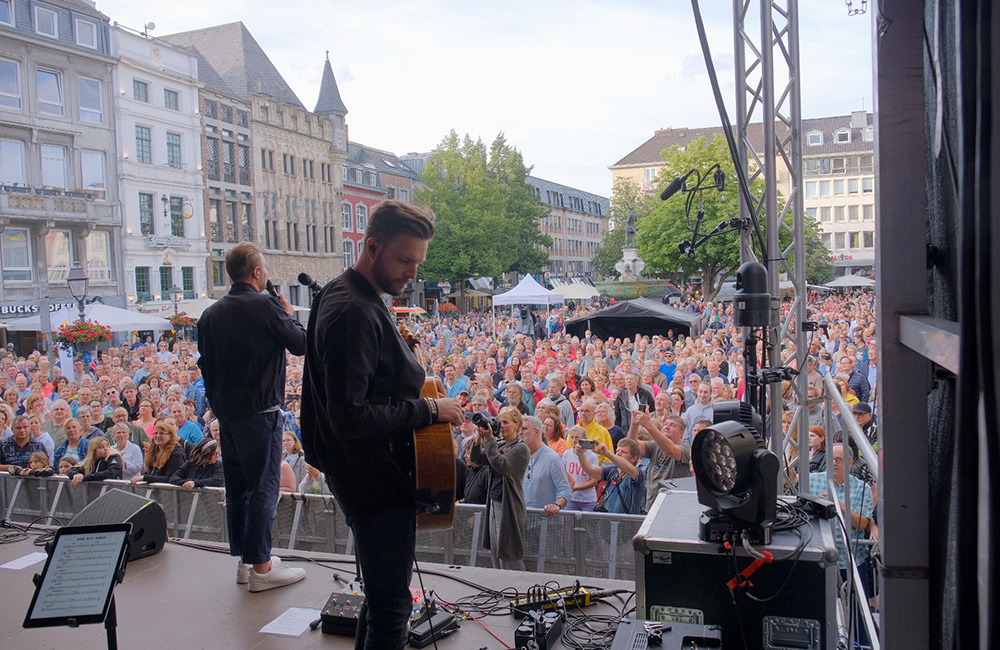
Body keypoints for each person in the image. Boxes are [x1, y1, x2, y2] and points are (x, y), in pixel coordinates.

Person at [300, 200, 463, 648]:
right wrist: (430, 410)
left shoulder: (348, 294)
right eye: (404, 260)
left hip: (364, 470)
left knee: (378, 599)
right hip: (372, 477)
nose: (412, 272)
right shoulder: (352, 310)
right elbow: (350, 417)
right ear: (371, 247)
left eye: (418, 262)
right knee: (392, 607)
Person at [198, 242, 308, 593]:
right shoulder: (266, 306)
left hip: (227, 416)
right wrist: (287, 315)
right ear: (257, 272)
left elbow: (205, 367)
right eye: (265, 269)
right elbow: (300, 344)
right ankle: (262, 568)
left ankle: (246, 561)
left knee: (239, 487)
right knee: (263, 487)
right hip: (261, 413)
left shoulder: (210, 314)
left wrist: (217, 406)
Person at [470, 407, 529, 570]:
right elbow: (477, 459)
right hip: (494, 501)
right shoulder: (501, 444)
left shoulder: (521, 448)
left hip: (509, 505)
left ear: (516, 425)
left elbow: (501, 465)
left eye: (505, 422)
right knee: (495, 550)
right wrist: (478, 439)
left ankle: (516, 582)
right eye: (499, 422)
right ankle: (500, 580)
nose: (501, 426)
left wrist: (490, 440)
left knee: (508, 552)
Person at [629, 411, 692, 511]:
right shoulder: (655, 446)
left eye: (672, 425)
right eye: (665, 424)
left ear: (681, 433)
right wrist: (634, 425)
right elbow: (632, 446)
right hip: (652, 505)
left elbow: (671, 450)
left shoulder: (687, 449)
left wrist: (648, 424)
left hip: (674, 507)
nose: (667, 427)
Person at [576, 438, 646, 515]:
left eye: (623, 452)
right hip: (608, 520)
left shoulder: (638, 473)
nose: (618, 453)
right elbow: (591, 470)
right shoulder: (612, 470)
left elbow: (629, 468)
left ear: (634, 458)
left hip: (627, 521)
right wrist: (581, 455)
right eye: (617, 451)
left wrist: (607, 453)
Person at [520, 415, 572, 514]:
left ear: (536, 432)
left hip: (546, 520)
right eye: (519, 429)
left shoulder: (553, 458)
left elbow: (565, 490)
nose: (520, 433)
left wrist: (556, 505)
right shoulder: (521, 456)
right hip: (524, 518)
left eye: (524, 429)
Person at [131, 418, 186, 484]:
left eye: (161, 433)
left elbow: (172, 478)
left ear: (170, 436)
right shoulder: (155, 452)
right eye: (155, 433)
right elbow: (149, 472)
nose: (158, 436)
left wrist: (145, 478)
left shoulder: (176, 454)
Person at [561, 425, 599, 511]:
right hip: (571, 498)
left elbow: (594, 481)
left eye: (577, 438)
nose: (574, 441)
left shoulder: (592, 456)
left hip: (587, 499)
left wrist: (575, 488)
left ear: (584, 439)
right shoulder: (567, 453)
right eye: (572, 437)